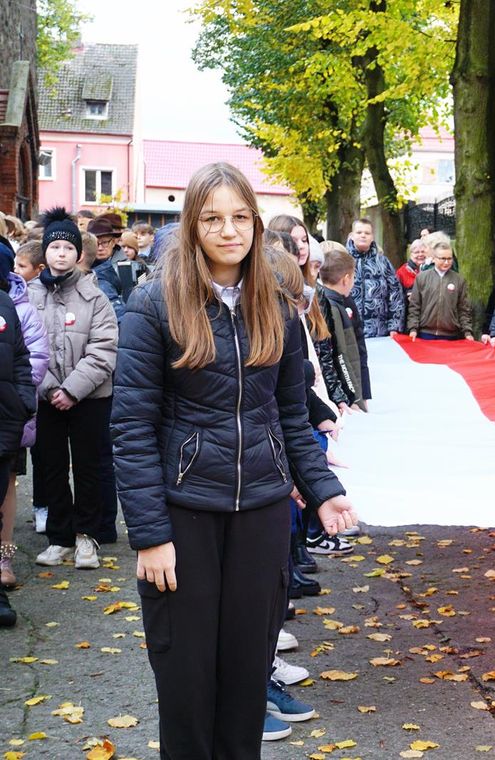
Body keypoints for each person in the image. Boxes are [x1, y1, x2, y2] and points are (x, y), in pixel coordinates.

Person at [111, 162, 357, 757]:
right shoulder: (154, 306)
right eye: (214, 218)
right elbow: (131, 430)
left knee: (247, 681)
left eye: (240, 217)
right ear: (193, 225)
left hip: (263, 516)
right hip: (184, 518)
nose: (229, 230)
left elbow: (291, 416)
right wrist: (149, 535)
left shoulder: (275, 304)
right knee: (188, 683)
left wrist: (322, 490)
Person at [29, 209, 118, 572]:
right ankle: (59, 537)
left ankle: (87, 536)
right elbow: (27, 346)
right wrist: (50, 388)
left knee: (89, 466)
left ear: (79, 253)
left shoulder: (94, 296)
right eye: (55, 247)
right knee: (50, 467)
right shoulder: (30, 296)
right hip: (44, 396)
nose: (61, 253)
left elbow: (104, 348)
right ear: (45, 252)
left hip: (89, 397)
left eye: (69, 247)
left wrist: (72, 389)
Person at [0, 238, 46, 593]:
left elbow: (28, 359)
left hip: (7, 418)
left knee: (7, 486)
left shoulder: (17, 307)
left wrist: (19, 404)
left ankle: (4, 556)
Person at [317, 246, 369, 416]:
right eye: (353, 277)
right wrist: (353, 398)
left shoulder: (334, 303)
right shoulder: (333, 307)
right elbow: (341, 355)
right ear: (346, 279)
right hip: (346, 393)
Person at [407, 235, 474, 341]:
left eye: (449, 258)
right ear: (433, 258)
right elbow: (415, 306)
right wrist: (413, 329)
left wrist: (467, 332)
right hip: (426, 333)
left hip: (451, 335)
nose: (447, 262)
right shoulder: (422, 278)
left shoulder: (459, 280)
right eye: (443, 258)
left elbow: (463, 309)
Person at [345, 217, 404, 338]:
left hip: (378, 331)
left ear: (372, 237)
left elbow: (395, 294)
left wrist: (394, 325)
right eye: (359, 232)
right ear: (351, 235)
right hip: (348, 330)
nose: (363, 236)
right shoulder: (343, 261)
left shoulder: (382, 262)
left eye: (367, 233)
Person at [86, 214, 126, 321]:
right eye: (96, 243)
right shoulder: (83, 266)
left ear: (113, 242)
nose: (100, 248)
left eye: (104, 243)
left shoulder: (128, 265)